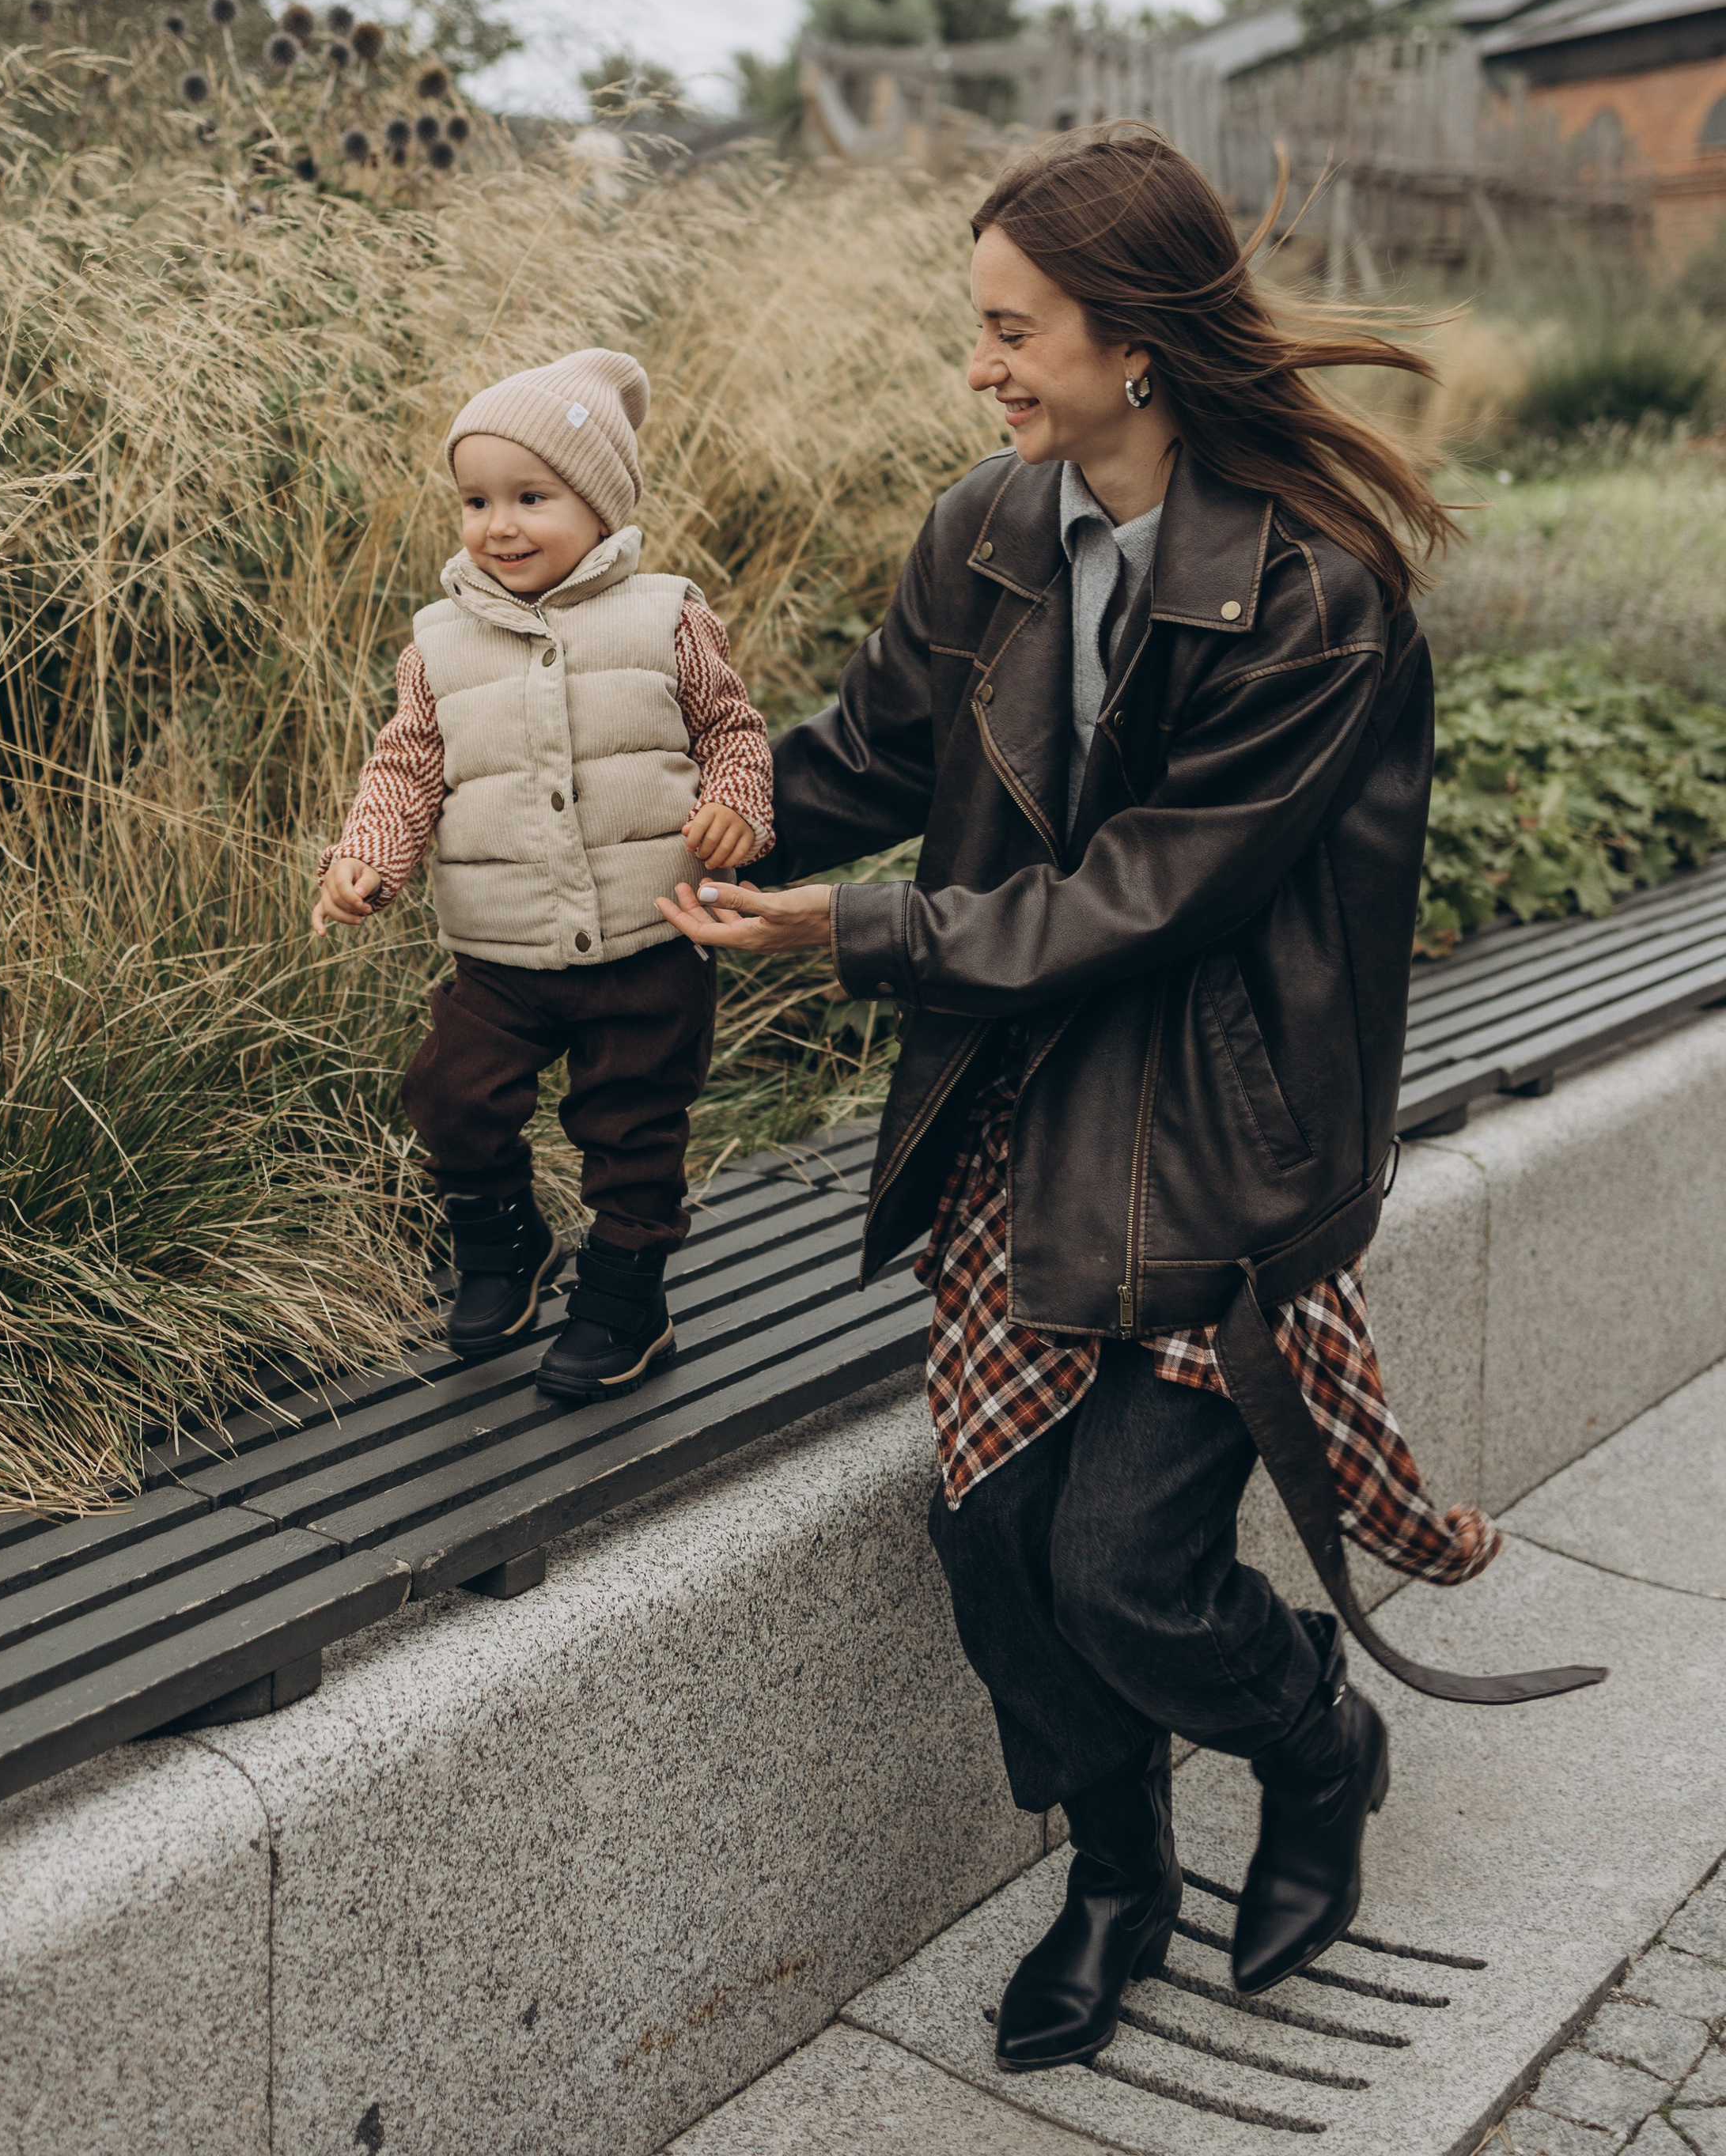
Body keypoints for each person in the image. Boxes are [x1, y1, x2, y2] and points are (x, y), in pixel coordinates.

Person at [658, 129, 1595, 2071]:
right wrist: (680, 820)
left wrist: (858, 934)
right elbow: (867, 753)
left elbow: (1150, 894)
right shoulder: (987, 530)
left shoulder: (1312, 596)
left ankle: (1313, 1740)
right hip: (1026, 1103)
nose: (981, 367)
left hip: (1215, 1137)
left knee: (1124, 1571)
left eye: (1011, 330)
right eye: (975, 330)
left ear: (1135, 341)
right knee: (997, 1549)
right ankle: (1113, 1874)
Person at [316, 347, 773, 1401]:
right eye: (475, 501)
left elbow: (732, 732)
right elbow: (407, 766)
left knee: (633, 1126)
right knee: (450, 1094)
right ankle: (505, 1241)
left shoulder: (667, 615)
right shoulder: (439, 642)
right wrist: (365, 863)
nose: (500, 526)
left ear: (602, 506)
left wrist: (738, 810)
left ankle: (626, 1299)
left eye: (532, 497)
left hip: (650, 936)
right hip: (502, 946)